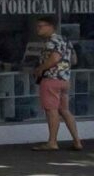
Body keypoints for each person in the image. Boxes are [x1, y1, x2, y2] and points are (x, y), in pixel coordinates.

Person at [24, 17, 80, 151]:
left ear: (50, 26)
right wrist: (64, 68)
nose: (38, 29)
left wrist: (40, 68)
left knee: (51, 110)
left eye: (40, 26)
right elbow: (74, 59)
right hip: (64, 79)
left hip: (50, 79)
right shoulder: (65, 40)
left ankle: (52, 142)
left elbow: (55, 58)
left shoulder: (51, 41)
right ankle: (77, 141)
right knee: (64, 110)